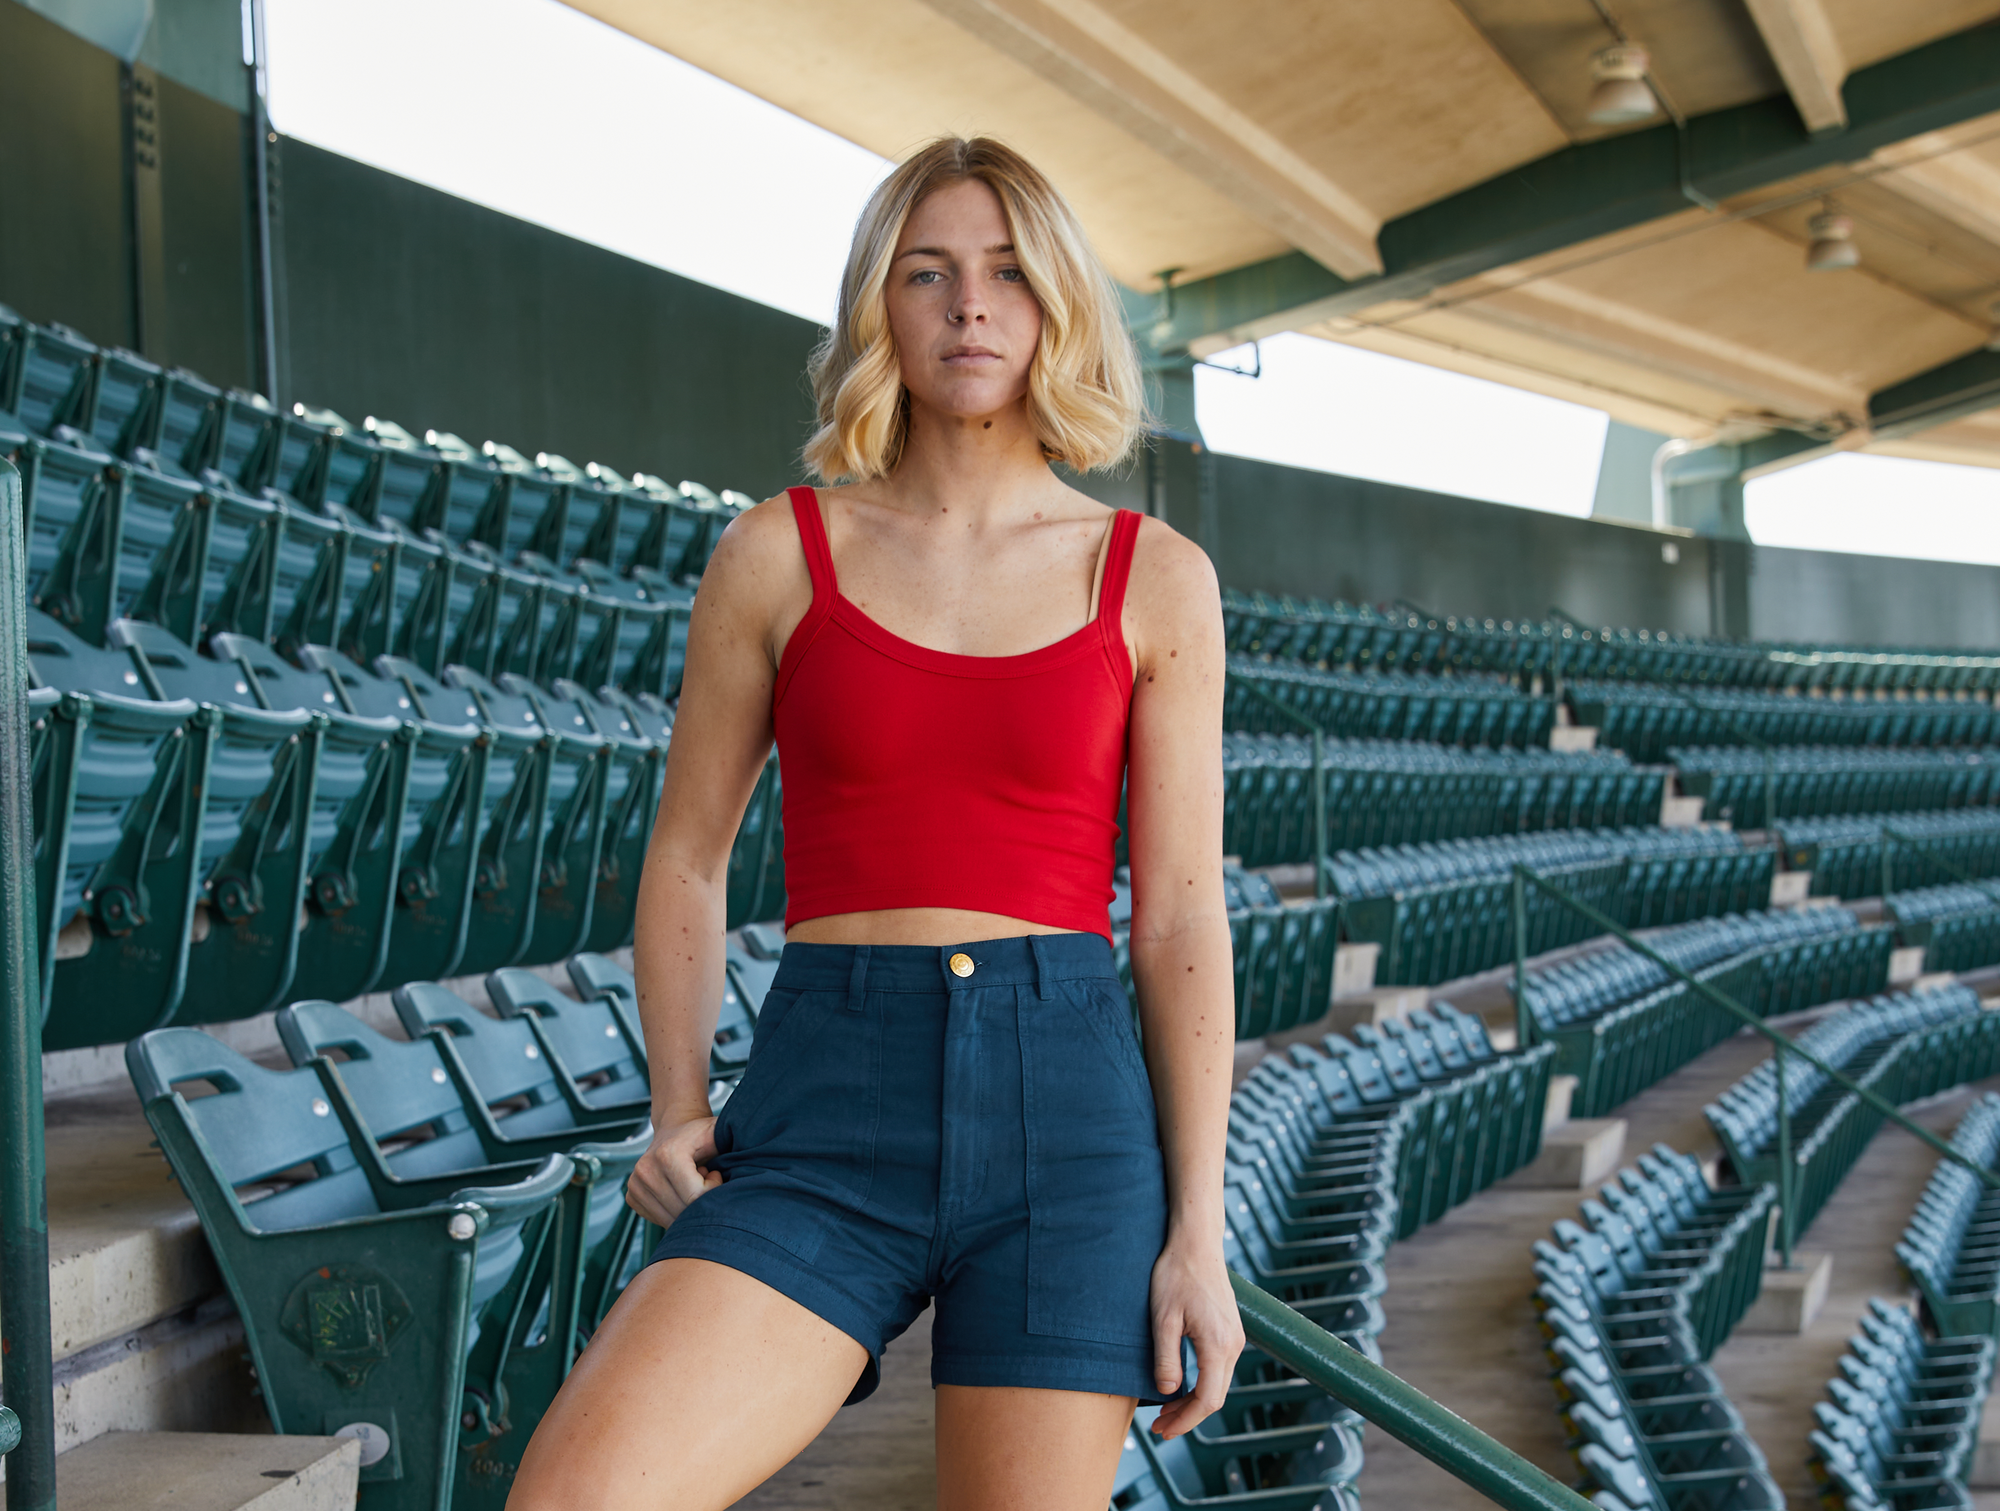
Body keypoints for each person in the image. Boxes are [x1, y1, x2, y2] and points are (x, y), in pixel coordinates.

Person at [508, 135, 1239, 1511]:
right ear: (879, 308)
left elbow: (1184, 913)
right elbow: (687, 852)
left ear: (1058, 305)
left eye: (1010, 273)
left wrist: (1197, 1224)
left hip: (1068, 1118)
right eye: (931, 272)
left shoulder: (1155, 579)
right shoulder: (776, 551)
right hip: (828, 1097)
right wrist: (676, 1101)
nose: (972, 306)